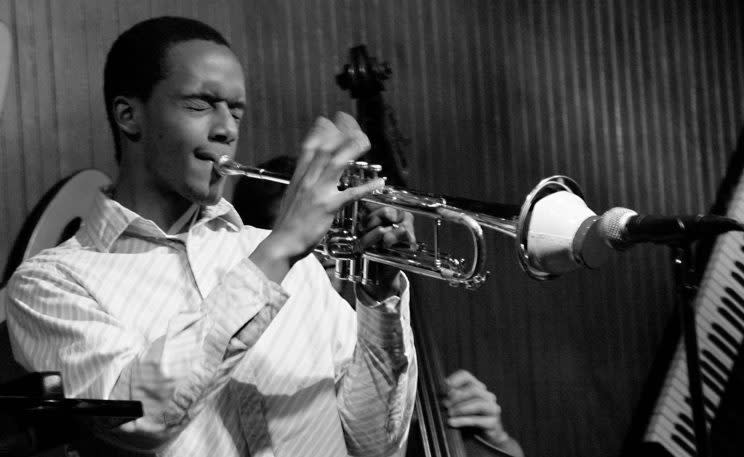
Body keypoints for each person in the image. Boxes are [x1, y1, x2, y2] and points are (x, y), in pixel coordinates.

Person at [5, 16, 417, 457]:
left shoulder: (296, 268)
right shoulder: (50, 283)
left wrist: (380, 302)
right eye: (201, 105)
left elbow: (375, 444)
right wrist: (280, 250)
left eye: (236, 110)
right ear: (130, 116)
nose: (227, 129)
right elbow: (136, 415)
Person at [235, 157, 525, 457]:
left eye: (336, 225)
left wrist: (498, 442)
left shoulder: (372, 338)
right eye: (306, 233)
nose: (328, 246)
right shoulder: (249, 344)